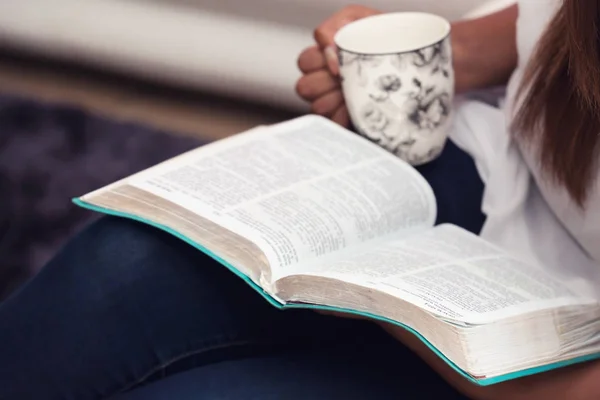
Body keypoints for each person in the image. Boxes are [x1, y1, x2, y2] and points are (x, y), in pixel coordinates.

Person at [0, 1, 599, 399]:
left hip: (552, 362)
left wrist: (481, 366)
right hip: (521, 169)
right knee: (126, 262)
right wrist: (448, 56)